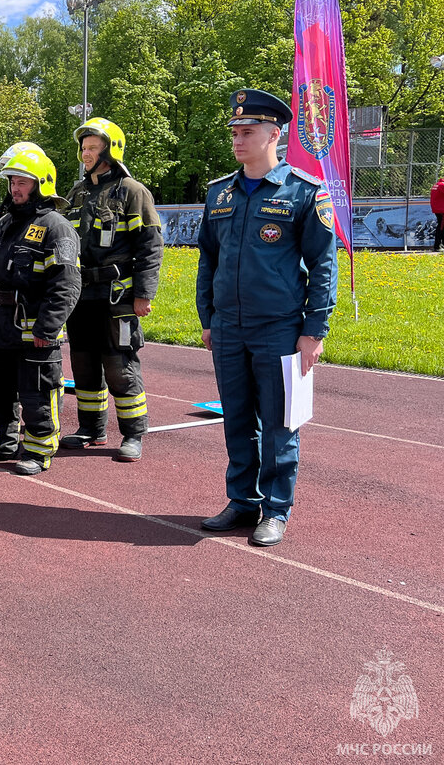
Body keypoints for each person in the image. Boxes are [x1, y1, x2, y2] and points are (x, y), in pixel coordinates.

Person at [197, 88, 338, 547]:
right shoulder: (219, 193)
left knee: (281, 424)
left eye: (248, 131)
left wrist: (313, 331)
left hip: (279, 328)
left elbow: (323, 265)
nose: (238, 139)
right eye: (234, 132)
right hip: (229, 327)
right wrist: (208, 318)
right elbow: (208, 261)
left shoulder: (305, 192)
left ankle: (275, 509)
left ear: (274, 134)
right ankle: (242, 501)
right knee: (237, 418)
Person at [0, 144, 81, 474]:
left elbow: (66, 283)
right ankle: (1, 442)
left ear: (41, 184)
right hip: (0, 325)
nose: (15, 188)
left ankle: (40, 450)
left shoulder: (56, 226)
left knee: (37, 393)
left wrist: (48, 328)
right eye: (12, 182)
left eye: (23, 182)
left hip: (35, 329)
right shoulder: (3, 224)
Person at [61, 118, 164, 463]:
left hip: (117, 296)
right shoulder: (76, 193)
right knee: (84, 363)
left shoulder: (132, 191)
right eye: (84, 147)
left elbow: (151, 246)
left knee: (119, 365)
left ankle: (133, 433)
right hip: (81, 295)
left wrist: (143, 293)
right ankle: (91, 428)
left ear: (109, 150)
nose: (85, 153)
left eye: (92, 147)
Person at [431, 177, 444, 252]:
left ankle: (439, 245)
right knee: (441, 227)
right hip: (442, 209)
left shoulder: (436, 185)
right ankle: (437, 246)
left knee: (441, 226)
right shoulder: (442, 185)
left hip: (437, 209)